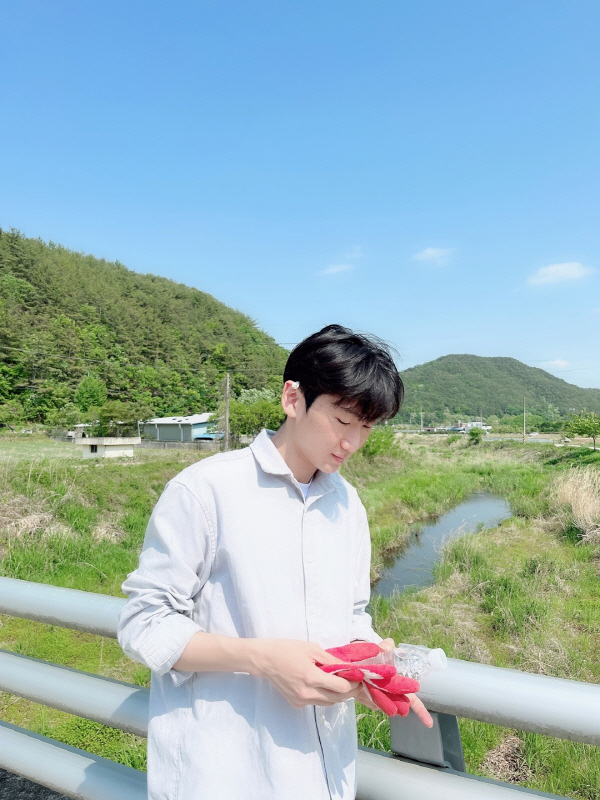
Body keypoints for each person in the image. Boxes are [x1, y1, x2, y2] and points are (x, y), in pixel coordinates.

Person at [117, 324, 432, 800]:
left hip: (326, 772)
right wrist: (264, 659)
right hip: (225, 770)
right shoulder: (205, 491)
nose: (352, 443)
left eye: (367, 428)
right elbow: (144, 623)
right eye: (342, 421)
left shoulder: (347, 504)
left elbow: (350, 614)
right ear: (292, 398)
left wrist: (368, 659)